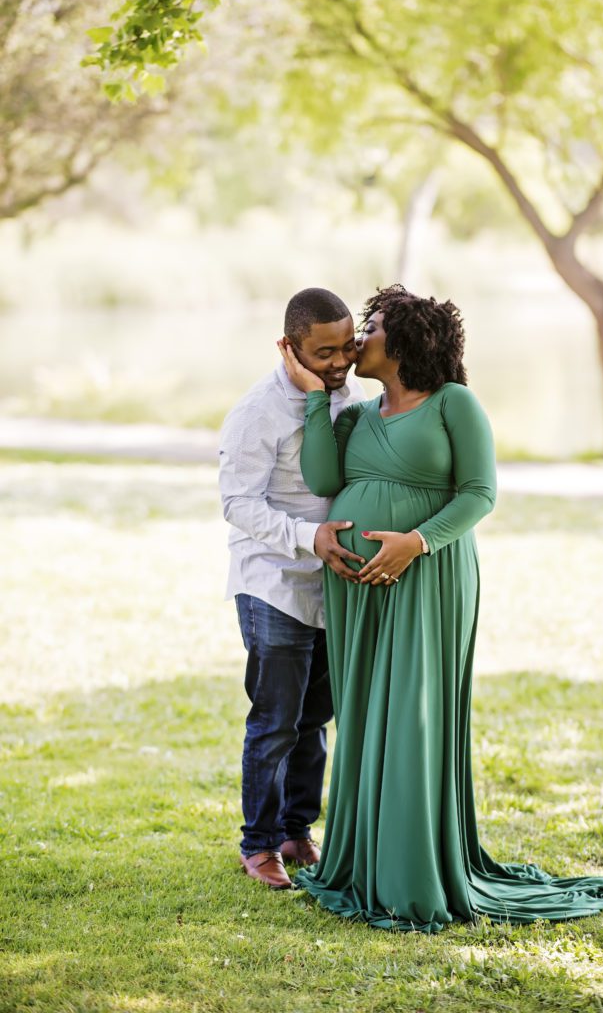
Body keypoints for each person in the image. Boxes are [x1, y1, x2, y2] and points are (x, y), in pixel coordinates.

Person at [278, 284, 603, 932]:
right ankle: (363, 863)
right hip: (355, 590)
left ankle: (412, 873)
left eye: (372, 324)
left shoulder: (453, 405)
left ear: (406, 339)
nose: (359, 338)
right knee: (363, 717)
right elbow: (325, 481)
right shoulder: (351, 413)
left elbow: (479, 494)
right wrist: (317, 395)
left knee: (412, 716)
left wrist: (415, 542)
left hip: (429, 578)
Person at [219, 287, 367, 889]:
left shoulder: (345, 393)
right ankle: (258, 847)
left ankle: (296, 830)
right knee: (277, 720)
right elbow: (237, 503)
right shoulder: (258, 411)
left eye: (347, 348)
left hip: (331, 586)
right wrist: (309, 539)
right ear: (288, 347)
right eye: (323, 352)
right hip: (274, 582)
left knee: (316, 719)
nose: (338, 363)